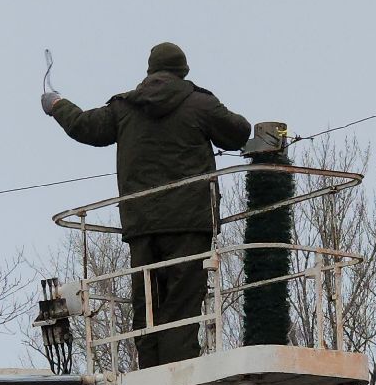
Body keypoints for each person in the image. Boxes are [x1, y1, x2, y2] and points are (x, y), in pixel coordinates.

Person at [42, 41, 251, 367]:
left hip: (142, 225)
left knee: (147, 303)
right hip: (189, 223)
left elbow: (84, 126)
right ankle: (178, 377)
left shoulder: (125, 108)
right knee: (182, 304)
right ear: (183, 71)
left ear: (151, 70)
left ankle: (151, 375)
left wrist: (57, 104)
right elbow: (238, 133)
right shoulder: (201, 104)